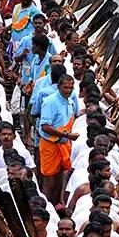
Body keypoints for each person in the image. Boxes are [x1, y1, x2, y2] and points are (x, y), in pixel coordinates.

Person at [38, 74, 80, 205]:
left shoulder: (70, 101)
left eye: (71, 88)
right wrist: (67, 136)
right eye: (65, 87)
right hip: (51, 145)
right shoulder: (50, 102)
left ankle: (57, 206)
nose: (68, 90)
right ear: (58, 87)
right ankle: (45, 208)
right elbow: (45, 127)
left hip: (63, 145)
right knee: (49, 181)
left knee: (59, 179)